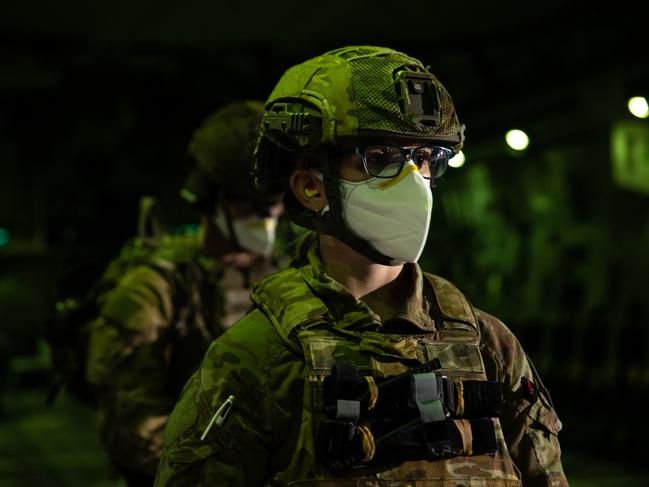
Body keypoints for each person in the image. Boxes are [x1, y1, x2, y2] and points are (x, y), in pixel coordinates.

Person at [154, 46, 568, 486]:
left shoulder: (489, 344)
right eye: (382, 158)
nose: (414, 181)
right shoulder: (256, 358)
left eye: (425, 158)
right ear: (312, 188)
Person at [85, 100, 284, 486]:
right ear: (208, 197)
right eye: (249, 207)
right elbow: (135, 431)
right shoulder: (153, 288)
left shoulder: (283, 278)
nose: (266, 220)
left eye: (274, 208)